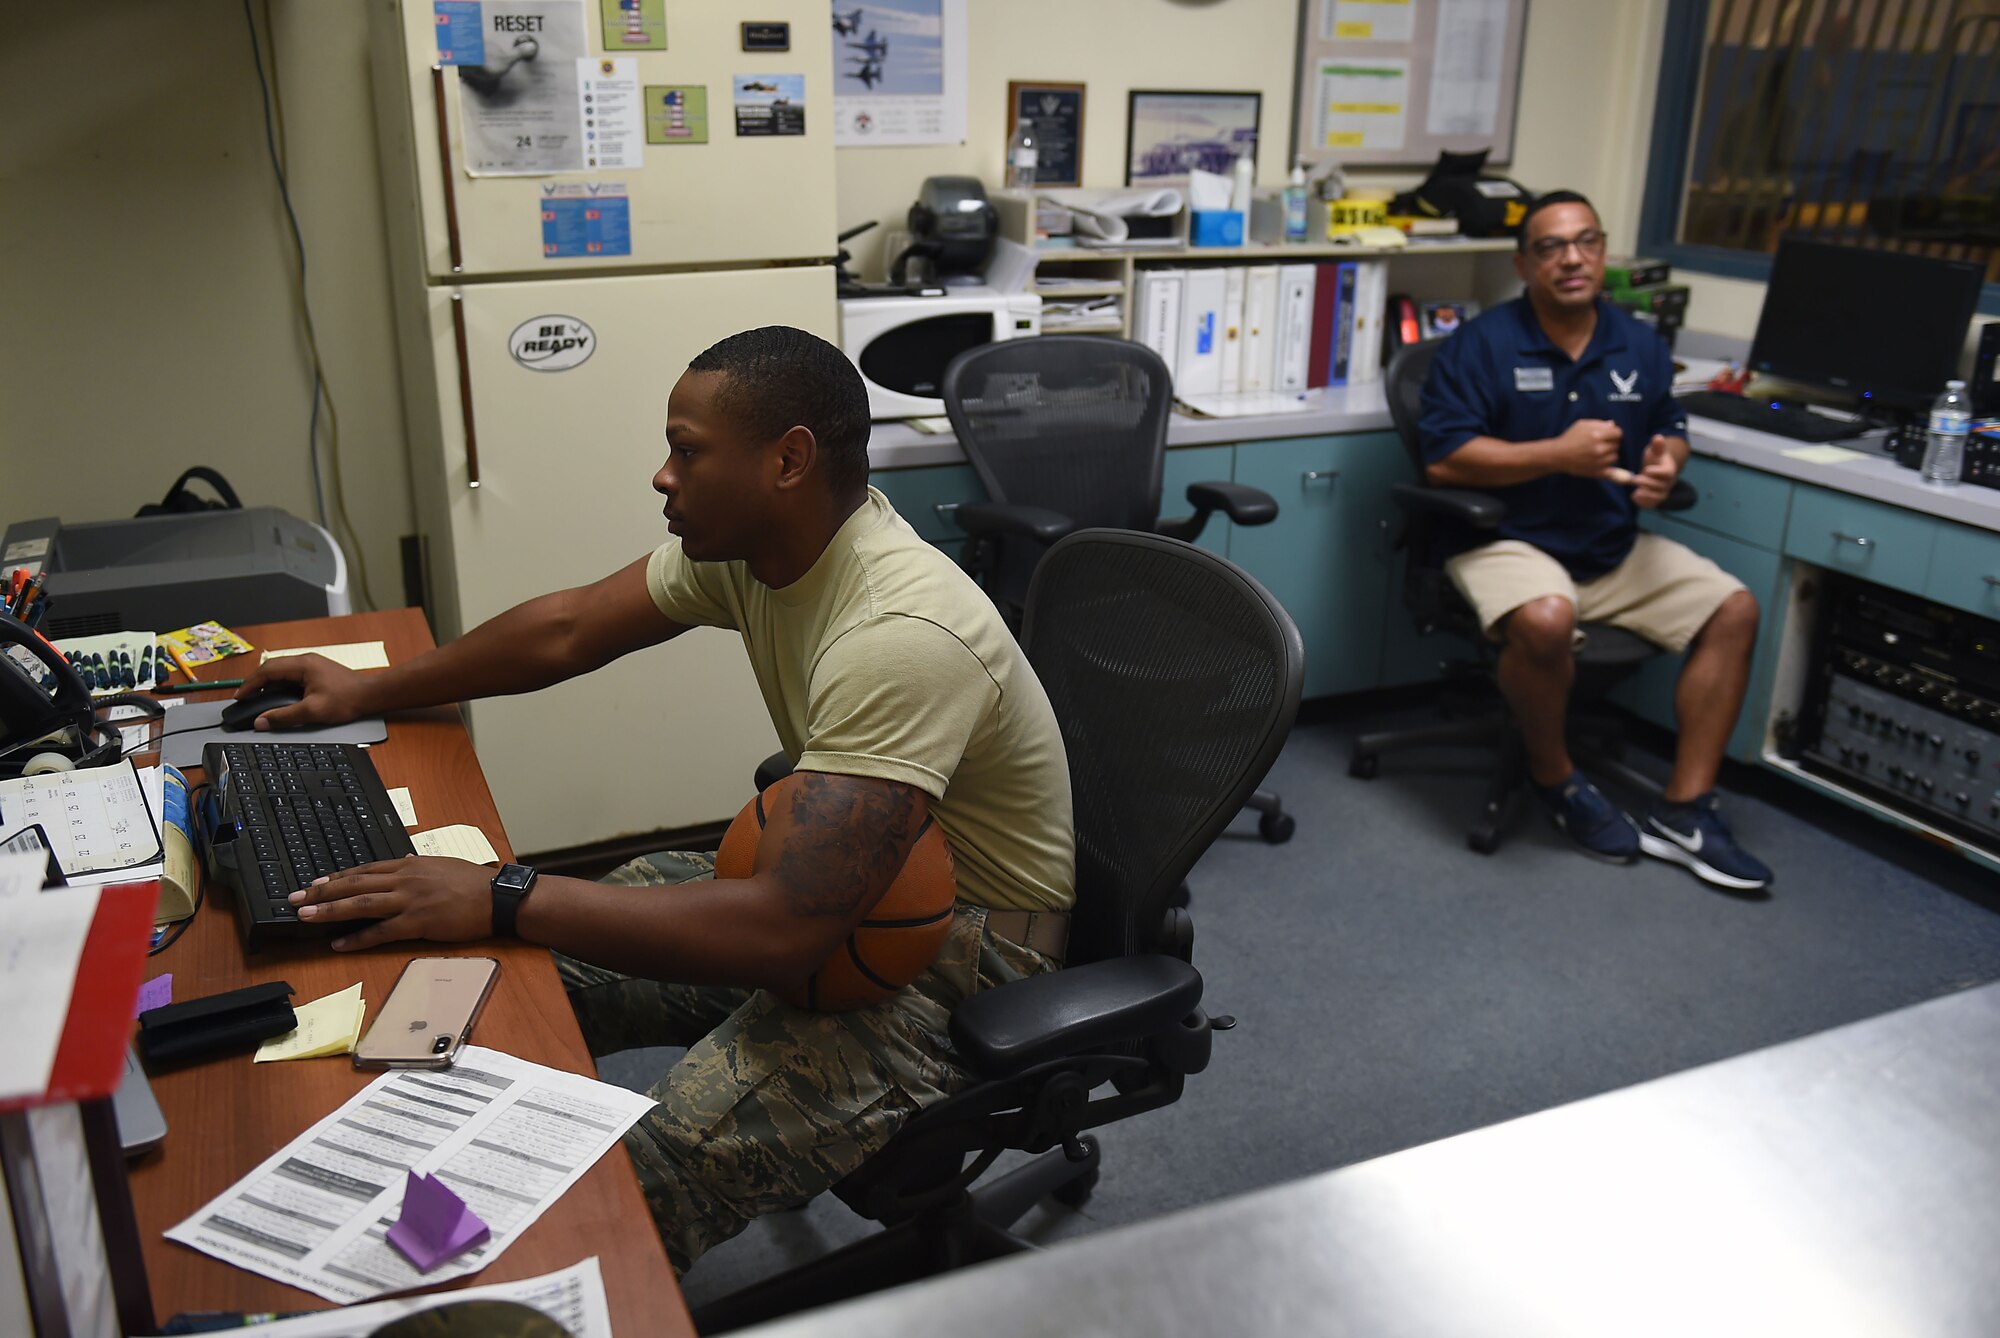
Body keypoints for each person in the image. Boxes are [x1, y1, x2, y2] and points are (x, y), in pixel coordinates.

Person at [236, 325, 1078, 1271]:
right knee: (536, 973)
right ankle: (406, 1193)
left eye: (688, 450)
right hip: (843, 896)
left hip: (962, 956)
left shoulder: (901, 630)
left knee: (647, 1165)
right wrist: (369, 689)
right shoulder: (759, 551)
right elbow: (566, 630)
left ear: (788, 460)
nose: (662, 476)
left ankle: (551, 1276)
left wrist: (506, 893)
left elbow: (783, 932)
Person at [1417, 190, 1771, 893]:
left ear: (1604, 253)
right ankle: (1558, 780)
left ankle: (1687, 809)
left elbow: (1670, 420)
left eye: (1586, 241)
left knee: (1734, 609)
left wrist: (1670, 458)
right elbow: (1444, 460)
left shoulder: (1637, 342)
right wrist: (1555, 453)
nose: (1571, 258)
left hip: (1610, 542)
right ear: (1524, 263)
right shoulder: (1482, 344)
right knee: (1548, 618)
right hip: (1505, 539)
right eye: (1550, 246)